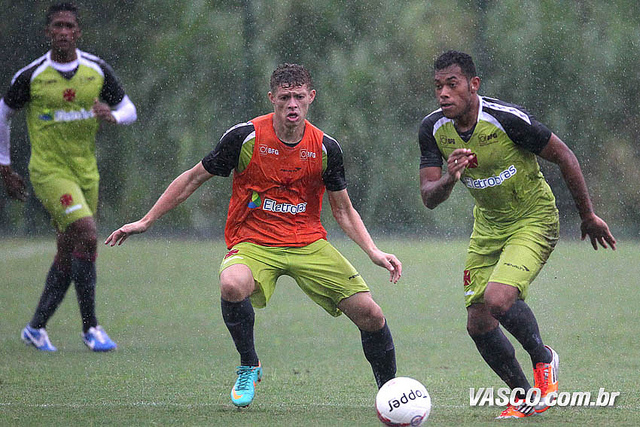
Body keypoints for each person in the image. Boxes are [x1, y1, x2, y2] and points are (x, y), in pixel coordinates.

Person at [105, 63, 401, 407]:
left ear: (311, 97)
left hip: (307, 243)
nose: (292, 104)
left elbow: (343, 210)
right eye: (285, 97)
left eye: (299, 97)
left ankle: (391, 395)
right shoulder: (244, 138)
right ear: (272, 98)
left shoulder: (325, 148)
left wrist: (373, 252)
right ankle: (249, 364)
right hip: (253, 242)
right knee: (232, 285)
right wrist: (147, 220)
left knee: (371, 315)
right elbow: (192, 178)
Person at [418, 50, 616, 419]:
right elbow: (429, 197)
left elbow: (565, 156)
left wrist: (587, 215)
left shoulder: (507, 119)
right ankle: (523, 396)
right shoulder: (433, 129)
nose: (443, 93)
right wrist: (450, 177)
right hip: (488, 227)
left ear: (473, 85)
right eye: (438, 86)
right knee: (478, 323)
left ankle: (544, 359)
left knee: (497, 299)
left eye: (452, 84)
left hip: (533, 219)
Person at [0, 3, 137, 352]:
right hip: (49, 172)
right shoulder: (32, 75)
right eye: (57, 26)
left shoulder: (95, 70)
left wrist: (114, 116)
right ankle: (91, 328)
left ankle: (35, 328)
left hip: (86, 173)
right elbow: (3, 114)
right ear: (48, 32)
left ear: (78, 32)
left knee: (68, 250)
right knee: (88, 236)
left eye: (69, 26)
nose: (63, 32)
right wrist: (4, 165)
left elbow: (129, 109)